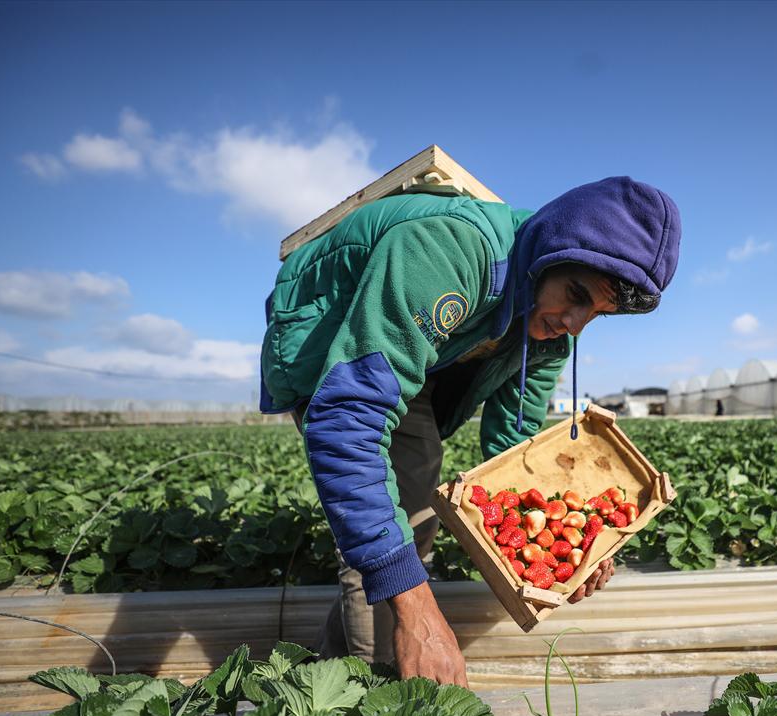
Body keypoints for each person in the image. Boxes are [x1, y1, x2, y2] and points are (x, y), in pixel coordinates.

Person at [259, 176, 681, 686]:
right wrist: (417, 612)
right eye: (575, 295)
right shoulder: (448, 251)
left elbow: (514, 456)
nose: (575, 323)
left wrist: (562, 543)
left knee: (413, 519)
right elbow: (347, 420)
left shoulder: (548, 342)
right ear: (549, 250)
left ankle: (329, 681)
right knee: (395, 534)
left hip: (415, 365)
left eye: (597, 313)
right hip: (333, 348)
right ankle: (371, 704)